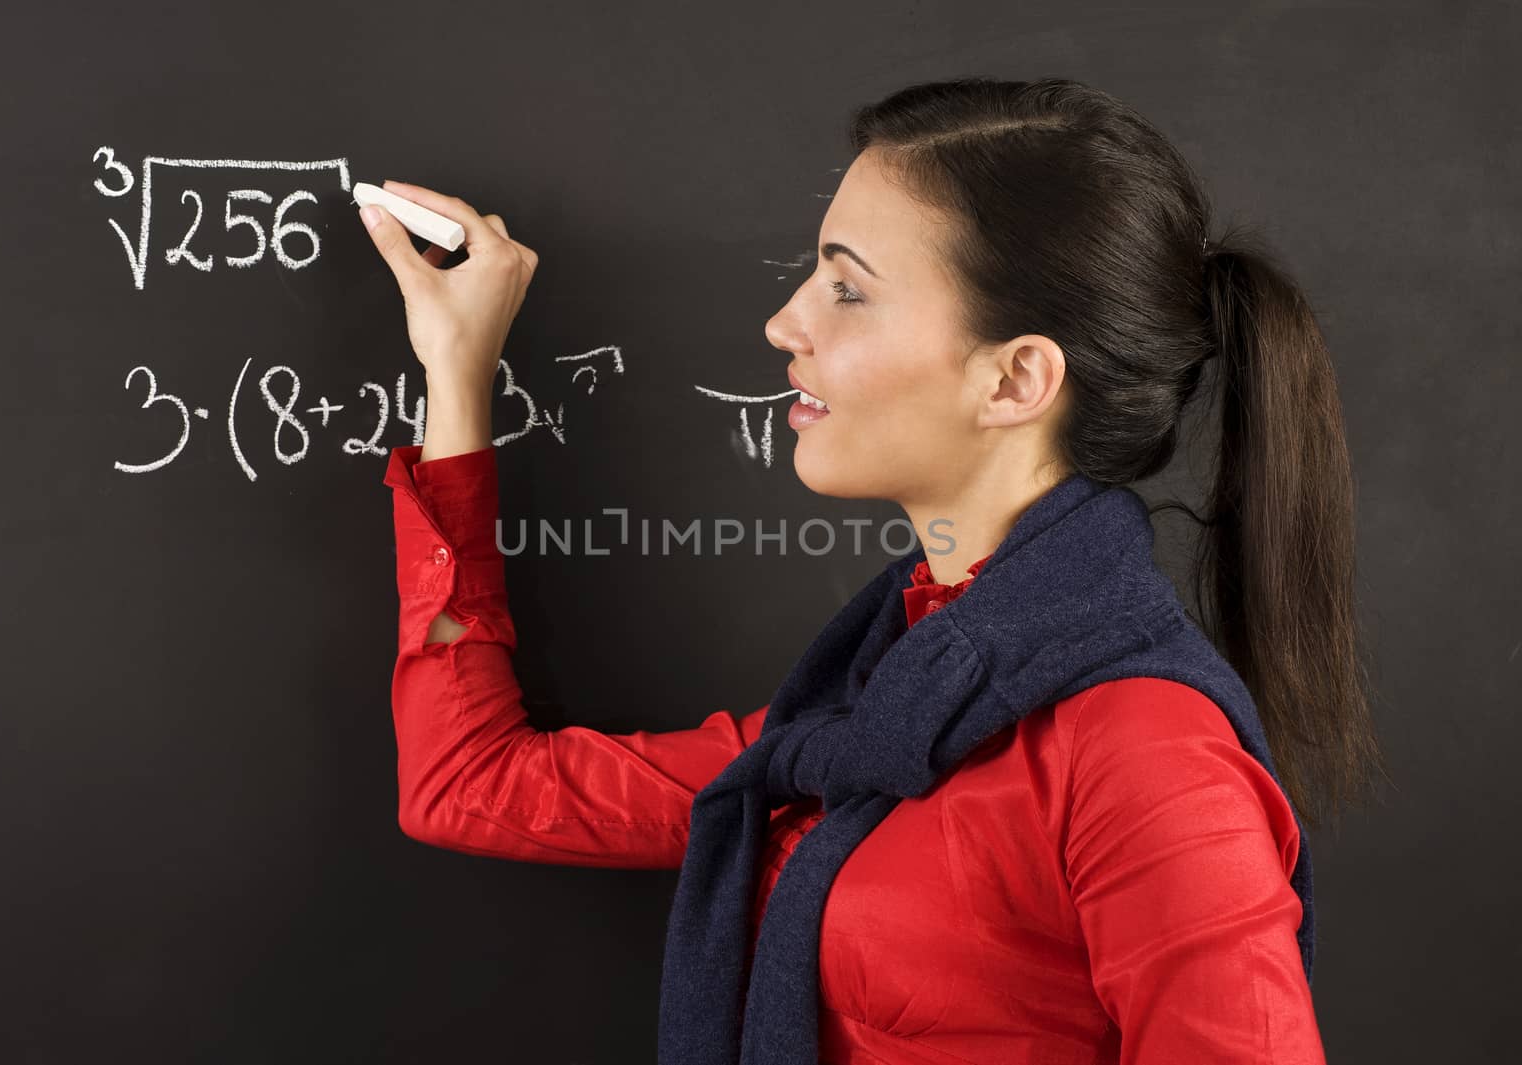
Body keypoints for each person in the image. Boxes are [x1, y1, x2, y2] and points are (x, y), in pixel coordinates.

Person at [361, 76, 1387, 1065]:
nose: (785, 325)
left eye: (847, 288)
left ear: (1015, 377)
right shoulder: (874, 708)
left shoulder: (1141, 752)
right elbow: (471, 786)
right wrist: (455, 376)